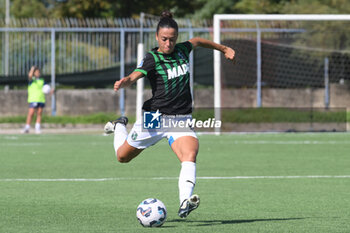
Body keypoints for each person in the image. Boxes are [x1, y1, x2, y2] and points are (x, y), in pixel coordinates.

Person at [104, 11, 235, 218]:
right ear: (157, 37)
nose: (168, 43)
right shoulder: (152, 58)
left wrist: (223, 48)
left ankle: (185, 201)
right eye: (164, 39)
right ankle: (120, 125)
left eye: (172, 39)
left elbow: (198, 41)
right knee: (122, 157)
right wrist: (125, 81)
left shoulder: (183, 50)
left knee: (189, 154)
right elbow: (135, 75)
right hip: (154, 119)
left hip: (181, 119)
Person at [23, 66, 49, 134]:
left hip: (41, 99)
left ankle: (37, 128)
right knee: (31, 113)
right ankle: (27, 127)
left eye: (38, 72)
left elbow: (46, 88)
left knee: (39, 113)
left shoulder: (42, 80)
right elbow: (30, 76)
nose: (38, 73)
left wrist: (49, 90)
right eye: (36, 72)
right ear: (34, 73)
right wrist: (32, 69)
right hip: (33, 99)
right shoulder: (32, 80)